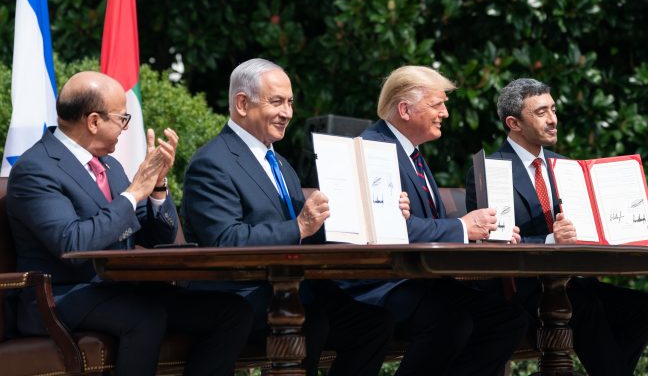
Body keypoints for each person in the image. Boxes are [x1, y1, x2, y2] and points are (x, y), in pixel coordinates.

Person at [6, 71, 253, 376]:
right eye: (122, 118)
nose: (125, 128)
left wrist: (158, 188)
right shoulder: (36, 170)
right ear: (94, 121)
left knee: (232, 312)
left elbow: (153, 236)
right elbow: (71, 243)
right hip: (60, 295)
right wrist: (134, 192)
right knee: (145, 317)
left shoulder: (109, 165)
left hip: (122, 288)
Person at [182, 58, 396, 376]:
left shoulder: (280, 164)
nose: (288, 113)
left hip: (294, 289)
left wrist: (375, 212)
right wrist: (299, 225)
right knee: (313, 322)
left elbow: (307, 232)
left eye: (291, 102)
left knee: (375, 323)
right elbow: (225, 241)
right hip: (242, 295)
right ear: (242, 103)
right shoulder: (211, 164)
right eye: (277, 102)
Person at [465, 77, 648, 376]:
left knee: (643, 308)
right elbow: (496, 245)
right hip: (523, 292)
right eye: (541, 112)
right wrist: (549, 239)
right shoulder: (491, 171)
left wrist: (642, 227)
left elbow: (600, 226)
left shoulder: (568, 167)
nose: (553, 120)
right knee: (584, 308)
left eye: (554, 109)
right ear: (514, 123)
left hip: (573, 283)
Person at [339, 65, 529, 376]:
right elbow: (393, 231)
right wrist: (464, 227)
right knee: (451, 322)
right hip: (379, 284)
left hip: (418, 279)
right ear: (405, 109)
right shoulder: (374, 149)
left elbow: (426, 226)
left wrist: (483, 232)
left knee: (507, 319)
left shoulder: (410, 151)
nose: (445, 113)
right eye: (436, 104)